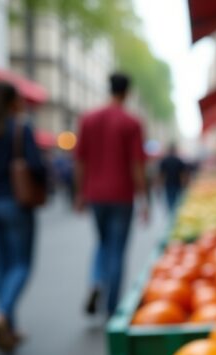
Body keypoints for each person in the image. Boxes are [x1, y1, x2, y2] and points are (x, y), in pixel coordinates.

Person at [0, 81, 47, 351]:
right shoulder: (19, 128)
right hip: (16, 203)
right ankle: (2, 314)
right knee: (21, 265)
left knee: (2, 266)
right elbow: (36, 166)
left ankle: (9, 329)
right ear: (10, 101)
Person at [74, 72, 147, 317]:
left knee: (103, 243)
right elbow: (137, 163)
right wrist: (144, 198)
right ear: (127, 92)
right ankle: (111, 306)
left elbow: (80, 160)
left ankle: (96, 281)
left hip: (95, 194)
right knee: (117, 249)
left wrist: (80, 192)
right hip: (122, 195)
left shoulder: (88, 119)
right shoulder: (131, 122)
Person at [158, 142, 189, 213]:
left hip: (168, 184)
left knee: (170, 201)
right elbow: (183, 174)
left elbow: (162, 175)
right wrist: (184, 184)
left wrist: (159, 186)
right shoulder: (179, 161)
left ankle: (172, 213)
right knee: (177, 201)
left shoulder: (164, 161)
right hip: (177, 184)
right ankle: (176, 213)